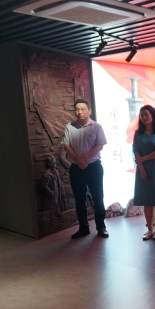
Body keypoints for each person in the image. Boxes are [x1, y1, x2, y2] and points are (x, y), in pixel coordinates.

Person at [62, 99, 108, 238]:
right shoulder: (69, 126)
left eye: (82, 109)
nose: (79, 112)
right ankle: (83, 228)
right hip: (76, 168)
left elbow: (100, 145)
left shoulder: (96, 127)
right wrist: (77, 159)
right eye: (77, 109)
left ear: (89, 111)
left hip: (93, 167)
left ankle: (101, 227)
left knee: (98, 198)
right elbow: (66, 145)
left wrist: (83, 157)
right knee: (79, 199)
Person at [133, 105, 155, 240]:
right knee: (147, 200)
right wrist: (141, 167)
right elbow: (135, 150)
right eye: (142, 115)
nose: (144, 117)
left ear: (153, 115)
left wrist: (142, 159)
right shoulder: (138, 133)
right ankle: (150, 229)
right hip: (142, 169)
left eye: (146, 114)